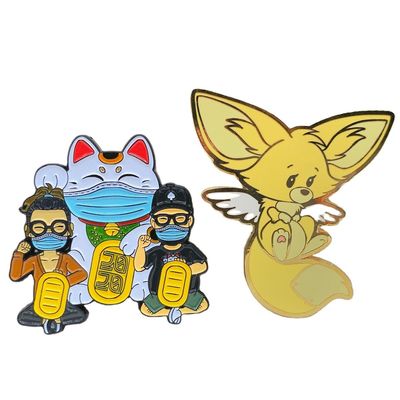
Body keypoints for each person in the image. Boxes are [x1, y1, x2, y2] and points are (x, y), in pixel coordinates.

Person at [10, 185, 88, 334]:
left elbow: (81, 274)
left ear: (69, 229)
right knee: (24, 318)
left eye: (58, 226)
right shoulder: (34, 260)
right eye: (39, 228)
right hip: (40, 303)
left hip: (60, 301)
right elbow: (15, 275)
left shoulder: (65, 259)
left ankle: (56, 319)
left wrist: (63, 281)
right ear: (28, 231)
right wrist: (18, 254)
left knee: (77, 314)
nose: (49, 233)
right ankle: (46, 319)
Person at [134, 183, 209, 324]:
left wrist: (186, 270)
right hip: (159, 294)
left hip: (187, 293)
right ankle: (172, 312)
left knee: (203, 305)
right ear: (153, 222)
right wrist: (140, 248)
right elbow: (139, 266)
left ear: (189, 221)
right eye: (163, 219)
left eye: (179, 218)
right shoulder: (157, 251)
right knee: (145, 309)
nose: (171, 224)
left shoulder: (189, 249)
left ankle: (178, 311)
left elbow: (203, 265)